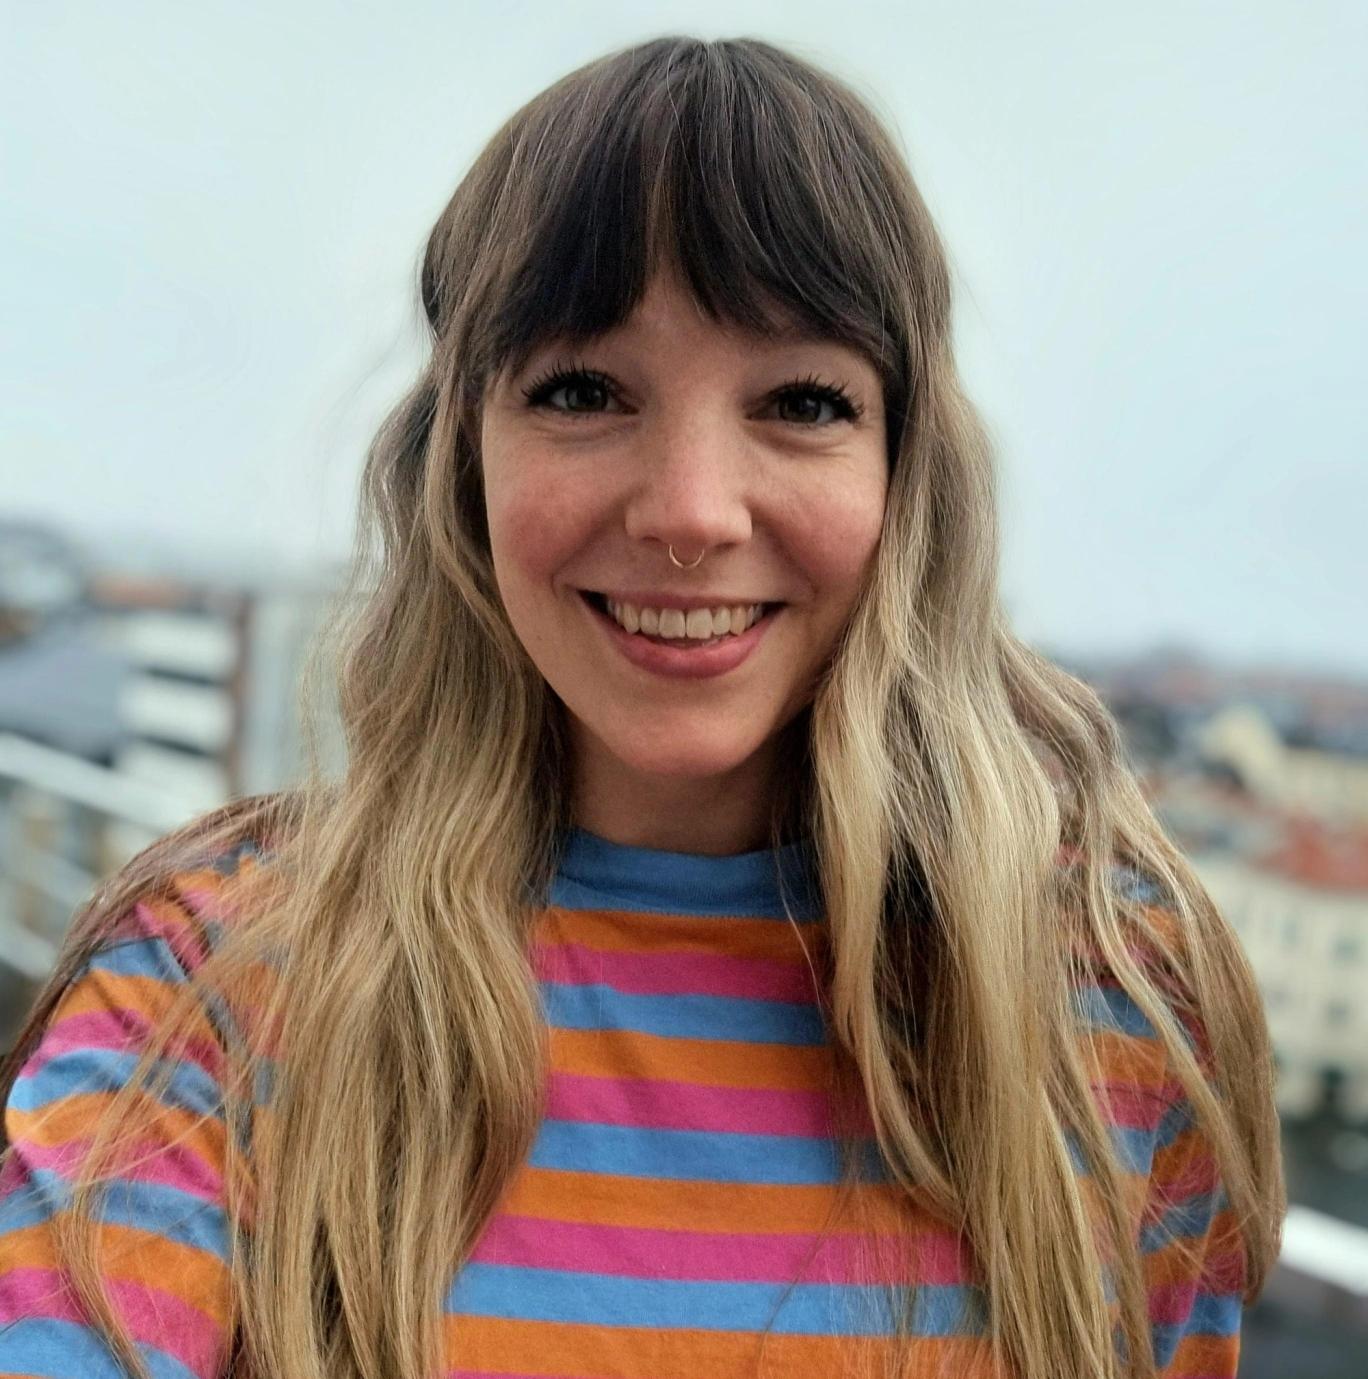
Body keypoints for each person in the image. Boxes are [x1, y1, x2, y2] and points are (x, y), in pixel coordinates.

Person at [0, 34, 1284, 1379]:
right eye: (581, 391)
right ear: (461, 464)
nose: (689, 510)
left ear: (907, 476)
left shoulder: (1114, 1008)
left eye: (800, 400)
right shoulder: (207, 978)